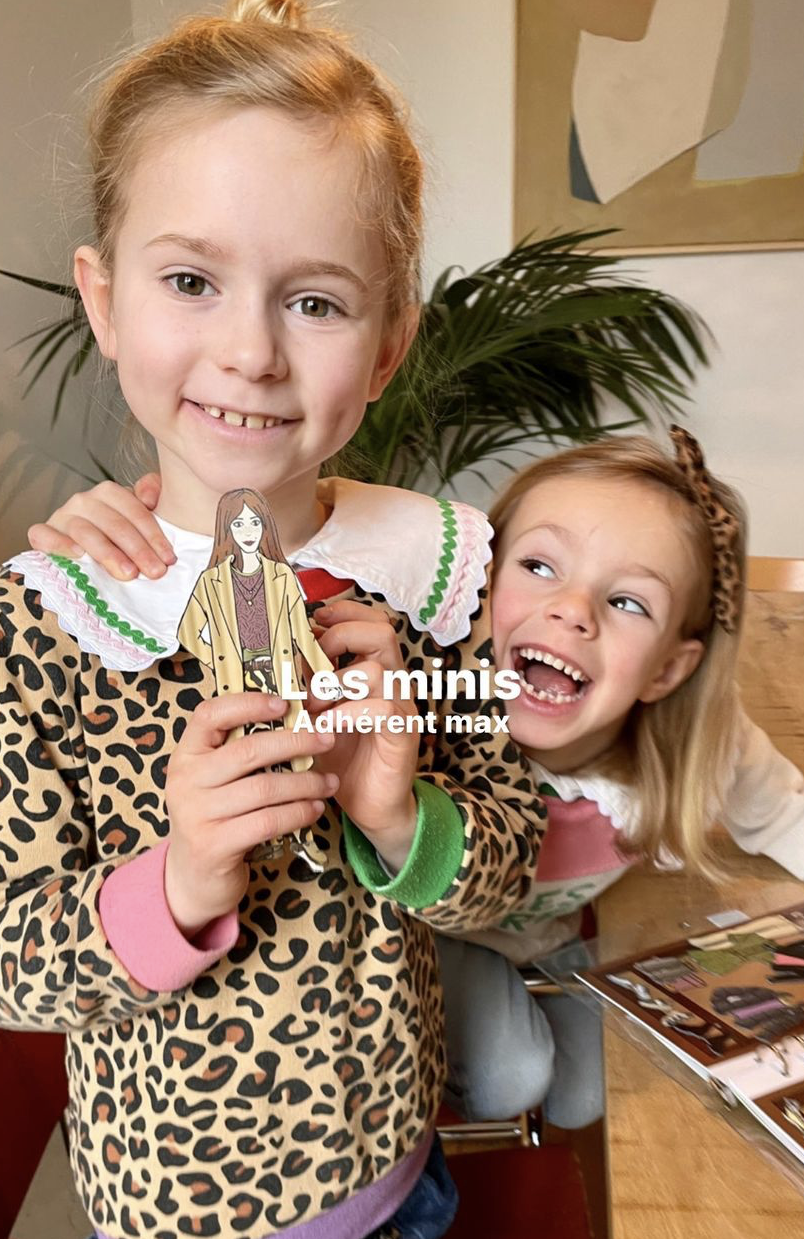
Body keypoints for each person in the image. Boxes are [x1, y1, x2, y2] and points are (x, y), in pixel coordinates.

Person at [0, 5, 545, 1238]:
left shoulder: (428, 576)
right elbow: (12, 960)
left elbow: (504, 869)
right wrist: (182, 879)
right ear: (105, 297)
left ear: (392, 340)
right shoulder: (50, 625)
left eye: (315, 302)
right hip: (174, 1214)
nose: (248, 353)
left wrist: (404, 814)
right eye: (191, 280)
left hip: (405, 1173)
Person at [51, 429, 804, 1136]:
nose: (571, 611)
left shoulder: (701, 744)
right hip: (420, 938)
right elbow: (316, 536)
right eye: (539, 566)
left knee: (590, 1093)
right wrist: (164, 523)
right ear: (477, 582)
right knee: (517, 1073)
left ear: (671, 669)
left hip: (545, 939)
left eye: (628, 601)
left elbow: (782, 817)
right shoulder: (420, 682)